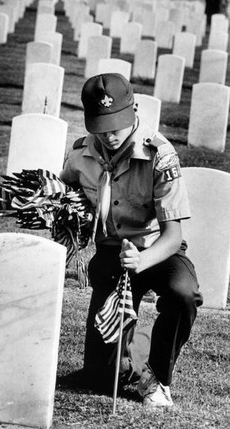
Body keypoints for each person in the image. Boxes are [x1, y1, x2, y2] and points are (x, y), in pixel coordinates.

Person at [60, 73, 203, 408]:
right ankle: (126, 357)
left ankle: (158, 377)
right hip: (112, 253)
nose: (109, 135)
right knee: (103, 377)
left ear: (134, 110)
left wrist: (142, 260)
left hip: (157, 249)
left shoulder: (160, 155)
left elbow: (173, 235)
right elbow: (68, 202)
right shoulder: (80, 154)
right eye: (101, 126)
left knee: (184, 293)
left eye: (117, 125)